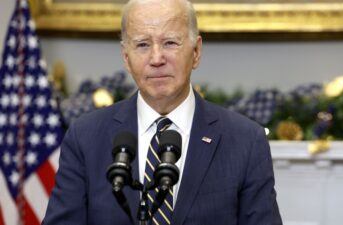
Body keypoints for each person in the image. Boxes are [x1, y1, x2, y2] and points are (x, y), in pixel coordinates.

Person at [43, 0, 282, 224]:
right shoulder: (85, 137)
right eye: (143, 45)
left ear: (196, 52)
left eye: (170, 42)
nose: (156, 58)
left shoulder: (245, 140)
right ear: (127, 58)